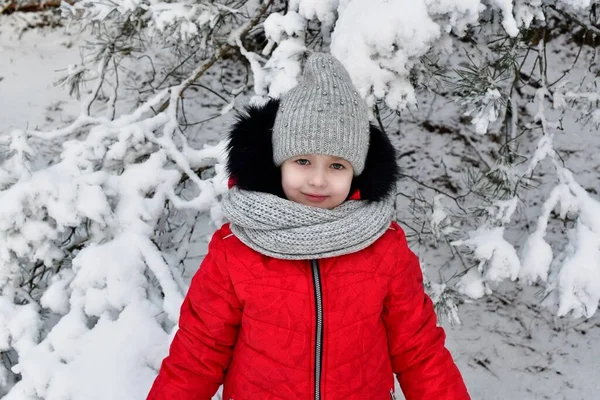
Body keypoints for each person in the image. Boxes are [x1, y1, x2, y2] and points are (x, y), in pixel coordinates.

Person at [146, 52, 470, 400]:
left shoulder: (383, 246)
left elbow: (419, 351)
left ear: (356, 171)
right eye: (303, 161)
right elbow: (197, 356)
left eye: (337, 166)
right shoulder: (236, 249)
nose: (318, 180)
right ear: (279, 163)